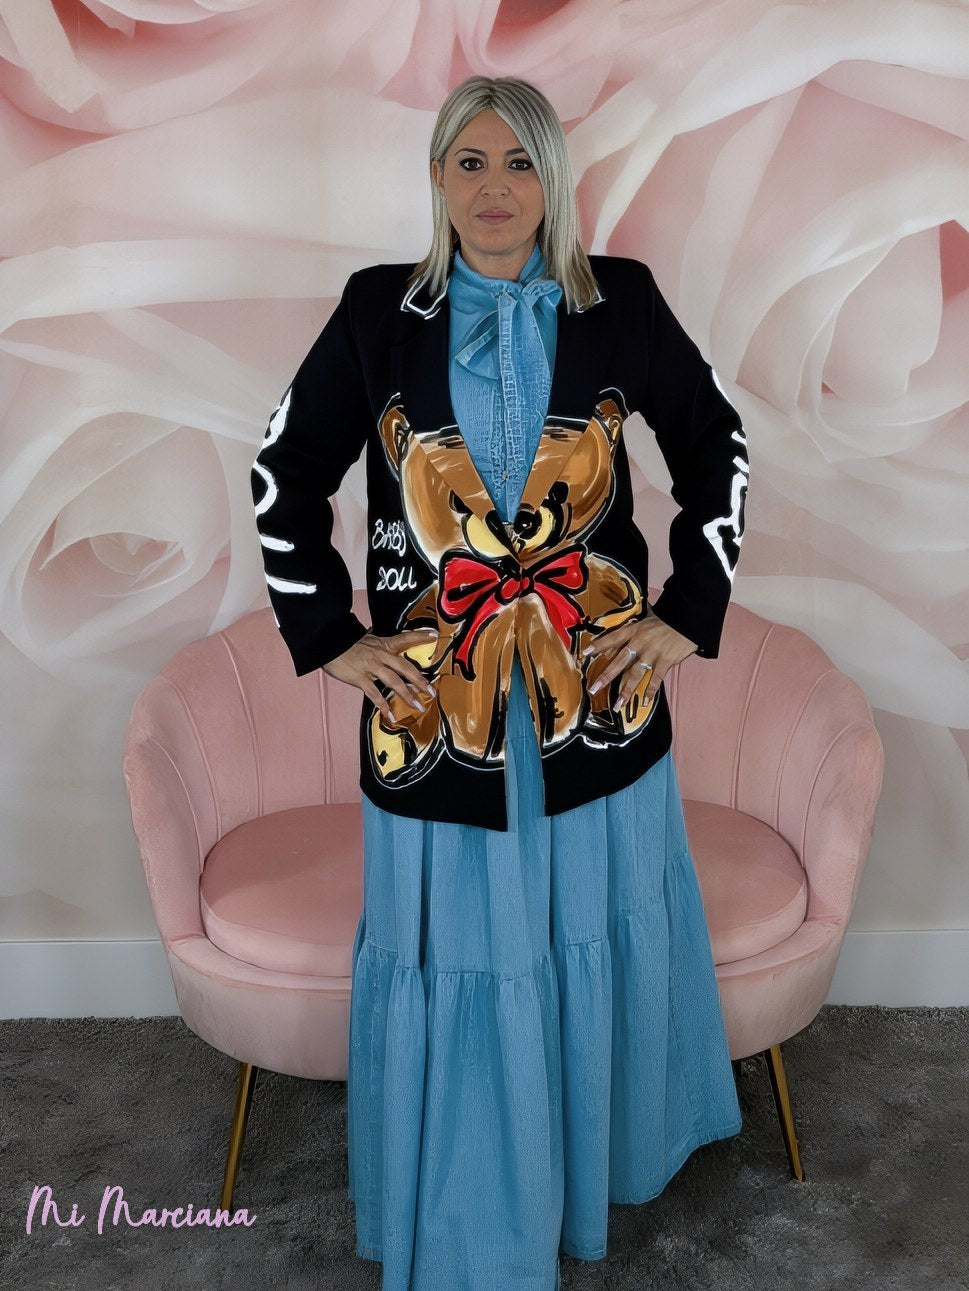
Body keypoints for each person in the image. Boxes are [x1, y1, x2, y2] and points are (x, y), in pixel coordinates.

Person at [252, 74, 748, 1291]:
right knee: (467, 952)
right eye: (468, 162)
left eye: (519, 163)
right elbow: (283, 470)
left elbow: (717, 444)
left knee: (587, 926)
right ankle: (477, 1213)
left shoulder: (621, 301)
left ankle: (599, 1165)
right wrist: (328, 633)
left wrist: (688, 614)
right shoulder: (378, 312)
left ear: (554, 179)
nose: (494, 188)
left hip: (597, 703)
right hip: (440, 714)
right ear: (436, 177)